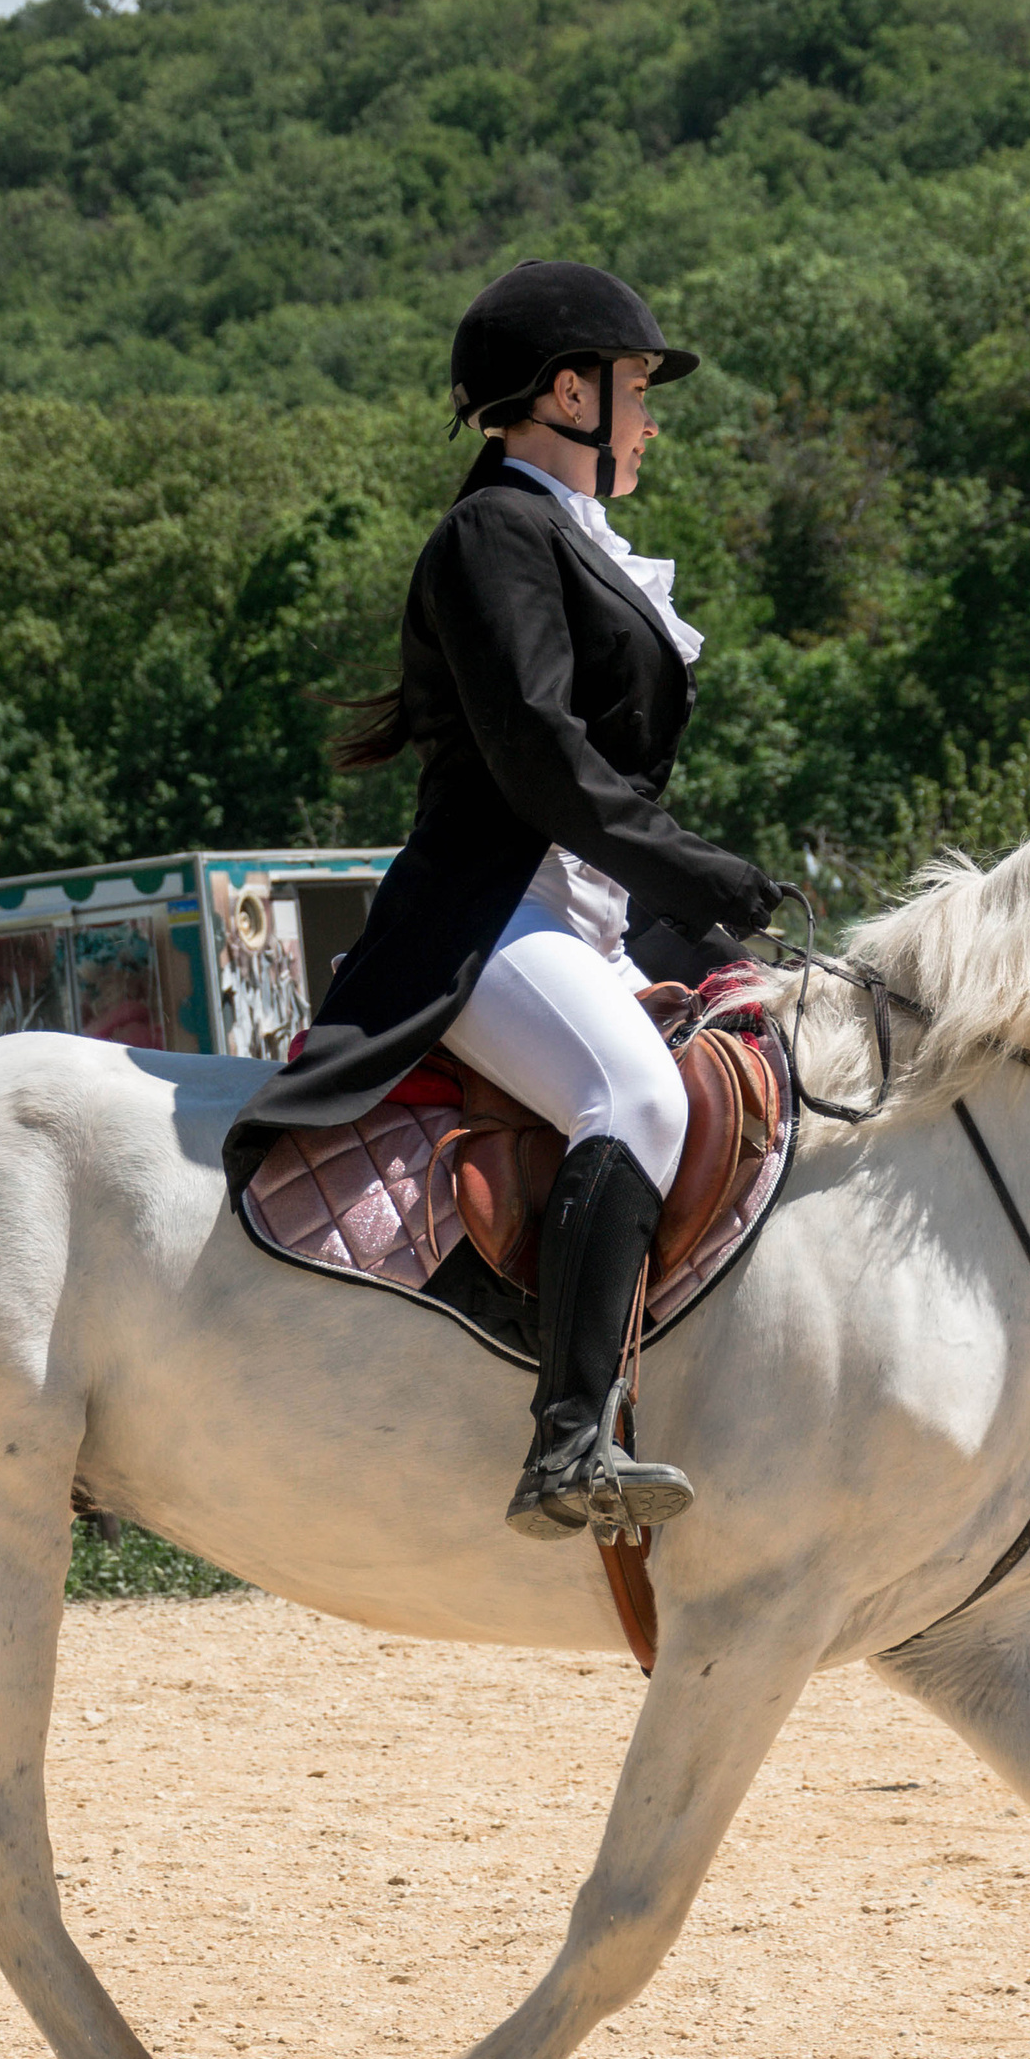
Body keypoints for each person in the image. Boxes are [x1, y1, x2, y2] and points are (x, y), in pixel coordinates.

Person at [224, 259, 781, 1540]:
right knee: (630, 1093)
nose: (650, 417)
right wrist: (696, 869)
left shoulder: (565, 538)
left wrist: (689, 908)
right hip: (488, 920)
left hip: (579, 916)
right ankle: (569, 1437)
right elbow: (539, 755)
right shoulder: (493, 534)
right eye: (637, 388)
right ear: (568, 391)